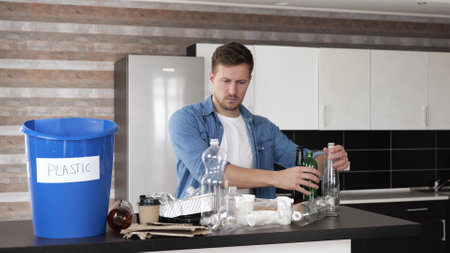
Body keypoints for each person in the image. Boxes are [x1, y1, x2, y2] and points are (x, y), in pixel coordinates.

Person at [169, 41, 349, 199]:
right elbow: (211, 173)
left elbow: (303, 161)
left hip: (254, 226)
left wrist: (327, 160)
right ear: (212, 79)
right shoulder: (186, 119)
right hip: (202, 228)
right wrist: (277, 178)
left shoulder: (263, 127)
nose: (232, 90)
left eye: (241, 82)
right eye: (225, 81)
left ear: (249, 81)